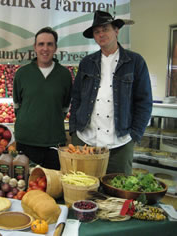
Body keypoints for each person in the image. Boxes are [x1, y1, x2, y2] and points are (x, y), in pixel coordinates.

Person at [69, 11, 152, 175]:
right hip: (86, 139)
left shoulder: (135, 62)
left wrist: (134, 135)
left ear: (116, 31)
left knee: (118, 192)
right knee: (84, 188)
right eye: (97, 31)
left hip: (120, 142)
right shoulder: (87, 62)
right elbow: (76, 97)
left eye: (105, 29)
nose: (101, 34)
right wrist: (73, 130)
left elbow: (144, 102)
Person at [13, 27, 72, 170]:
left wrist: (49, 119)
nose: (45, 48)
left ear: (55, 48)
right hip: (25, 141)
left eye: (50, 44)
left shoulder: (64, 75)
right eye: (41, 44)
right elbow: (17, 105)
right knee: (24, 186)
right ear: (35, 47)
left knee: (53, 186)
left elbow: (65, 107)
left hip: (53, 142)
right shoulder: (22, 73)